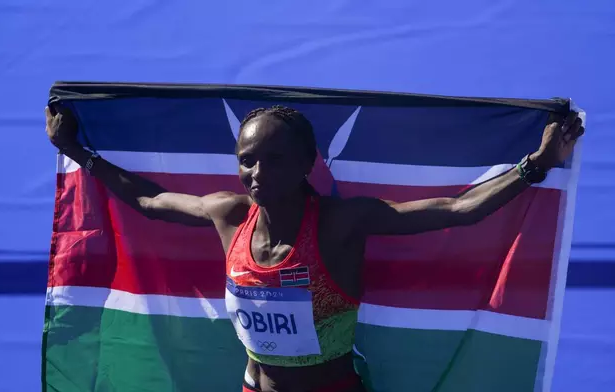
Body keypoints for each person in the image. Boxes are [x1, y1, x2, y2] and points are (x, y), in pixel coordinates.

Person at [45, 103, 584, 392]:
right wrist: (76, 149)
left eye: (272, 159)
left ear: (308, 164)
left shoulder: (341, 224)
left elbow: (456, 211)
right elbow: (151, 200)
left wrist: (536, 165)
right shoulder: (227, 214)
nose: (255, 172)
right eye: (246, 159)